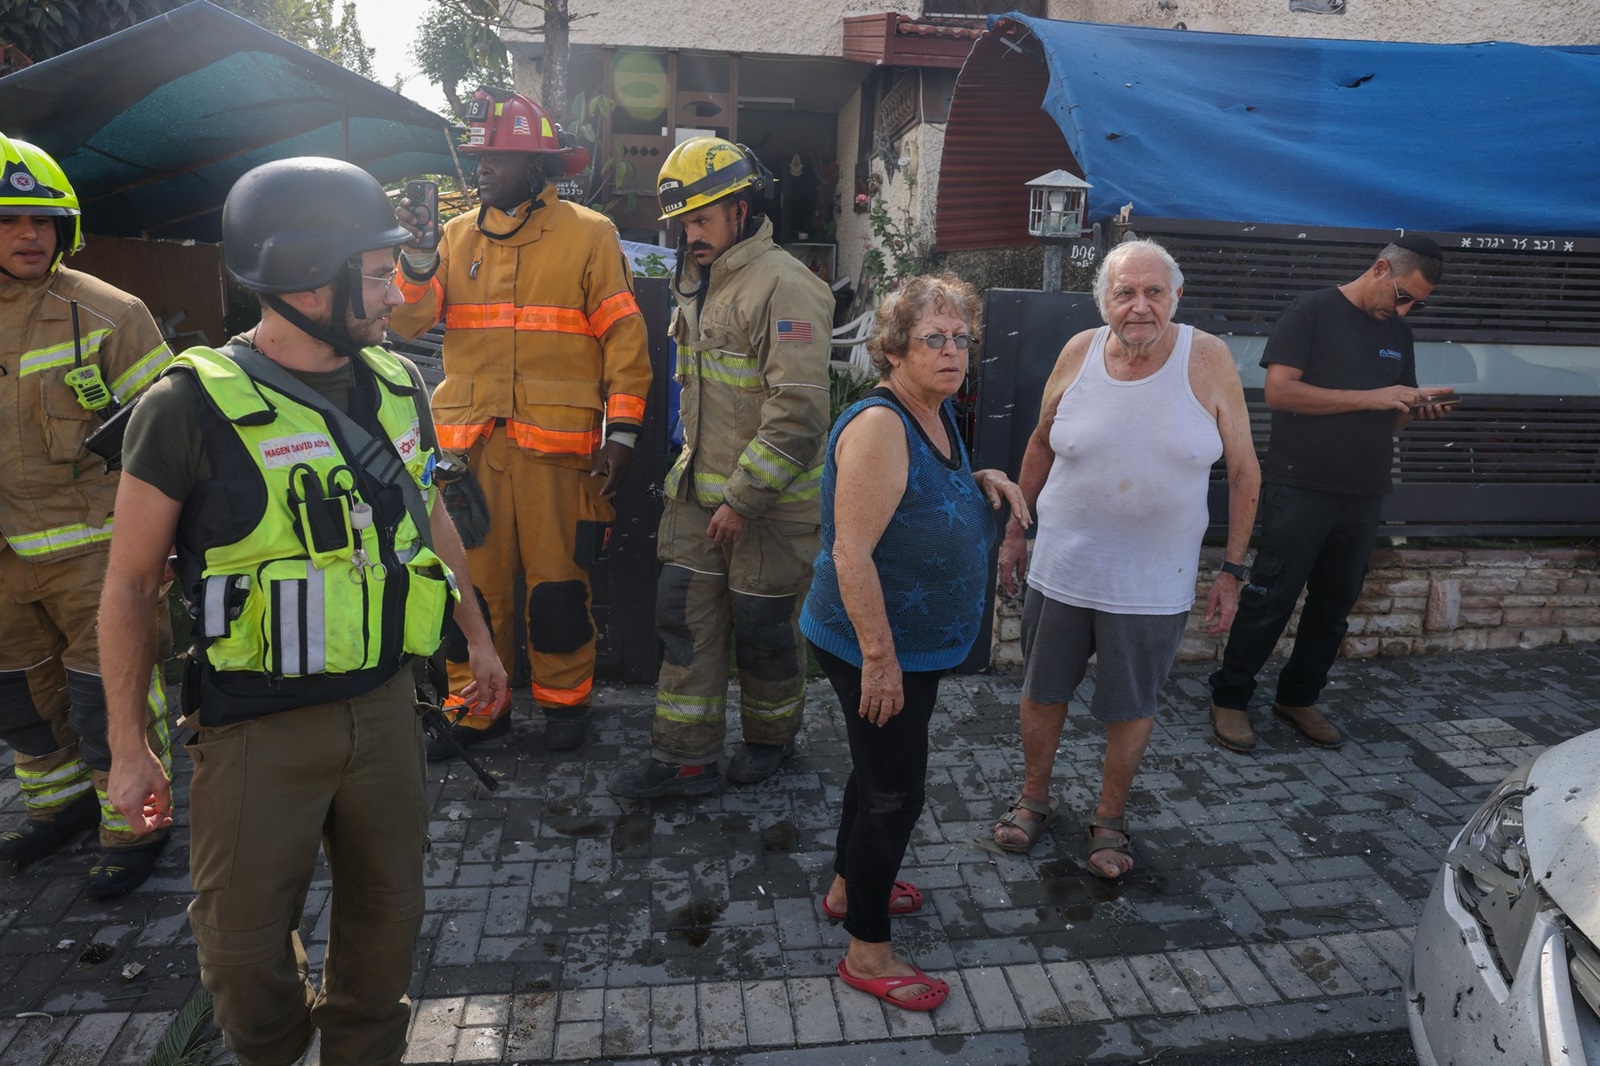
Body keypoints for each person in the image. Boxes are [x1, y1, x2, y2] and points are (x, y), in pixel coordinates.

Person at [100, 157, 506, 1066]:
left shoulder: (399, 383)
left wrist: (477, 639)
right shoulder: (186, 406)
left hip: (386, 710)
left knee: (388, 924)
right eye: (371, 272)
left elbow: (429, 514)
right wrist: (131, 749)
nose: (392, 292)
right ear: (299, 280)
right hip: (253, 729)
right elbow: (128, 586)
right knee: (241, 952)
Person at [390, 86, 651, 757]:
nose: (483, 167)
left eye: (500, 157)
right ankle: (477, 710)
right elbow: (406, 319)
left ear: (538, 168)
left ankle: (567, 707)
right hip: (469, 449)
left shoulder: (590, 236)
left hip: (558, 452)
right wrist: (416, 254)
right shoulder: (450, 237)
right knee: (468, 587)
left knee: (559, 584)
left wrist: (620, 433)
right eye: (480, 155)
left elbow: (626, 339)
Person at [992, 239, 1260, 878]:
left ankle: (1109, 819)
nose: (1140, 307)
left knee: (1130, 705)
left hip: (1152, 581)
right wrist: (1014, 533)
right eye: (1124, 293)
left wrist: (1232, 570)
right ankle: (1034, 800)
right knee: (1042, 691)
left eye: (1153, 292)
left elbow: (1246, 473)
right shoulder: (1078, 352)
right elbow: (1039, 445)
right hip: (1062, 567)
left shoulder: (1209, 359)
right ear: (1104, 301)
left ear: (1176, 297)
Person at [801, 274, 1026, 1011]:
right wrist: (879, 660)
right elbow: (850, 553)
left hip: (911, 644)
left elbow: (922, 490)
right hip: (874, 643)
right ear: (894, 350)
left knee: (876, 777)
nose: (953, 351)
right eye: (935, 339)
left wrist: (980, 478)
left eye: (961, 338)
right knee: (897, 795)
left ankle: (845, 889)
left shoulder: (934, 412)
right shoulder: (881, 423)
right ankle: (867, 951)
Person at [609, 137, 834, 798]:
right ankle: (685, 758)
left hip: (767, 508)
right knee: (683, 621)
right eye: (683, 222)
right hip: (697, 499)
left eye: (702, 219)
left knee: (764, 635)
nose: (690, 233)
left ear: (740, 211)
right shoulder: (699, 283)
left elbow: (798, 412)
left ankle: (772, 743)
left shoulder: (785, 285)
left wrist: (743, 497)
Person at [0, 132, 176, 898]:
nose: (27, 236)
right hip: (5, 564)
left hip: (97, 557)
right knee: (19, 697)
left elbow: (175, 441)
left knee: (108, 696)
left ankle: (133, 823)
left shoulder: (110, 313)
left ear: (65, 229)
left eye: (41, 221)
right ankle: (58, 808)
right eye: (7, 220)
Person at [1208, 236, 1453, 752]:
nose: (1407, 308)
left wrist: (1414, 407)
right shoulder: (1312, 311)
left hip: (1363, 491)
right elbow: (1279, 391)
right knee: (1270, 598)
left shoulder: (1399, 333)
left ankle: (1298, 698)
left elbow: (1391, 422)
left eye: (1418, 303)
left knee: (1334, 606)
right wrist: (1375, 397)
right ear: (1381, 268)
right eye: (1405, 295)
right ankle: (1230, 699)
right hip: (1301, 484)